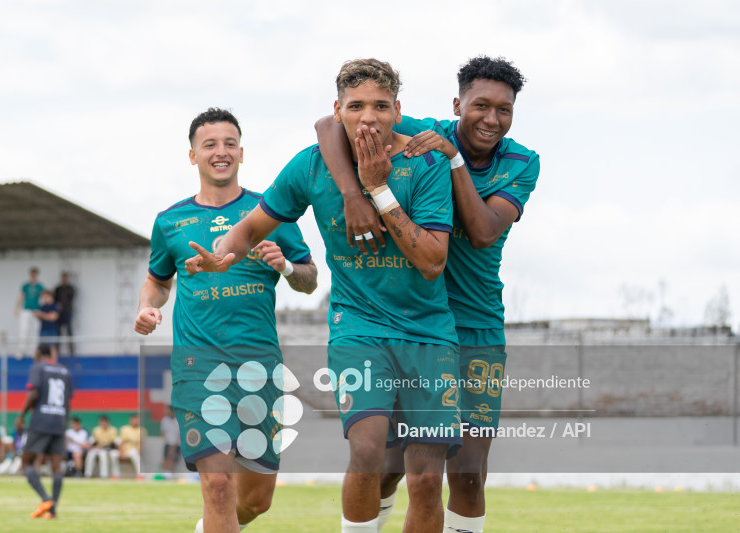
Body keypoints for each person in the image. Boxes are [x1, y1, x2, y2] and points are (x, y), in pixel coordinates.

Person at [185, 59, 460, 533]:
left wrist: (375, 192)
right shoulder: (311, 167)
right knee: (368, 450)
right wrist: (222, 252)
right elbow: (251, 226)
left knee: (425, 478)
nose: (368, 118)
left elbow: (433, 260)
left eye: (380, 106)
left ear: (398, 110)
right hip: (358, 328)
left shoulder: (426, 164)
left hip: (429, 333)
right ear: (338, 110)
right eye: (355, 107)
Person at [317, 55, 540, 533]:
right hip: (413, 323)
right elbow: (328, 125)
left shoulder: (522, 162)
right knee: (391, 468)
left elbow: (481, 232)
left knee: (469, 474)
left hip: (475, 325)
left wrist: (453, 158)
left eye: (505, 109)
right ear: (458, 104)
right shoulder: (422, 130)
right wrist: (354, 196)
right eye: (480, 105)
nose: (491, 118)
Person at [134, 107, 317, 533]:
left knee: (254, 500)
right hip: (199, 368)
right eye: (210, 144)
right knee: (218, 486)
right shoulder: (170, 221)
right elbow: (157, 280)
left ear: (241, 152)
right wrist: (148, 307)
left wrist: (287, 267)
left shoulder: (271, 213)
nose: (221, 152)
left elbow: (309, 281)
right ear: (193, 155)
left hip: (259, 371)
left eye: (229, 143)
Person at [18, 344, 74, 519]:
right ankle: (53, 511)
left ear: (38, 353)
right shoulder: (64, 371)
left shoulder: (38, 367)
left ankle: (46, 499)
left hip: (41, 420)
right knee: (56, 467)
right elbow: (67, 401)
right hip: (59, 420)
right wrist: (64, 425)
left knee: (26, 462)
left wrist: (22, 415)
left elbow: (34, 393)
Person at [15, 267, 44, 358]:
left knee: (34, 331)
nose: (33, 276)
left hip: (36, 310)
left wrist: (42, 311)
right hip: (26, 310)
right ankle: (21, 350)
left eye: (35, 274)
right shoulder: (25, 286)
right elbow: (21, 297)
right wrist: (17, 308)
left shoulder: (40, 286)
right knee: (23, 330)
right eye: (32, 274)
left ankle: (32, 350)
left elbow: (43, 298)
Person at [117, 414, 146, 478]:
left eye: (137, 420)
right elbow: (120, 442)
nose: (136, 421)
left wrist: (139, 452)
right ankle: (116, 475)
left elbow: (140, 443)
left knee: (134, 453)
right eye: (134, 420)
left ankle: (140, 475)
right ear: (130, 420)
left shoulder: (141, 430)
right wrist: (121, 453)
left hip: (134, 451)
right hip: (124, 451)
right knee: (113, 455)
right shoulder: (124, 429)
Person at [54, 272, 75, 356]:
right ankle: (57, 352)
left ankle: (72, 352)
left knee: (69, 331)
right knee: (58, 332)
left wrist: (64, 306)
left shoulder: (70, 288)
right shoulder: (58, 289)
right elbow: (55, 299)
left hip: (67, 311)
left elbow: (70, 299)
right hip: (59, 313)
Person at [160, 404, 181, 476]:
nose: (165, 411)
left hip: (176, 444)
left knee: (172, 459)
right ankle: (166, 474)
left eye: (167, 410)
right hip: (168, 443)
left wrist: (174, 445)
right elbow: (163, 432)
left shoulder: (178, 420)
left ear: (172, 411)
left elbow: (179, 434)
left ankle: (169, 475)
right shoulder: (164, 420)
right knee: (166, 458)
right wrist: (167, 442)